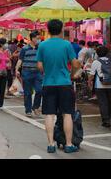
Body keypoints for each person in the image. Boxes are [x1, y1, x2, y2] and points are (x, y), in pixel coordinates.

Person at [36, 19, 81, 154]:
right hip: (65, 83)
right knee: (67, 114)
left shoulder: (42, 45)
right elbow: (75, 64)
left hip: (48, 83)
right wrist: (72, 74)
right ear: (61, 30)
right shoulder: (67, 45)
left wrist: (47, 71)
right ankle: (68, 144)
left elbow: (39, 66)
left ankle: (51, 144)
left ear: (48, 30)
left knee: (49, 114)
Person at [16, 31, 43, 117]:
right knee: (28, 92)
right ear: (32, 38)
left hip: (38, 72)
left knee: (39, 90)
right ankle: (28, 110)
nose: (38, 40)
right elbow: (20, 60)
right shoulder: (25, 49)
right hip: (27, 72)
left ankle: (35, 107)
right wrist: (17, 69)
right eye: (37, 38)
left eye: (39, 38)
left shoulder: (40, 48)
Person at [89, 46, 111, 128]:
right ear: (107, 53)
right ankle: (109, 117)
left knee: (103, 103)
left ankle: (106, 121)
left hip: (100, 86)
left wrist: (89, 82)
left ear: (98, 53)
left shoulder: (96, 62)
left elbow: (91, 75)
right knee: (109, 102)